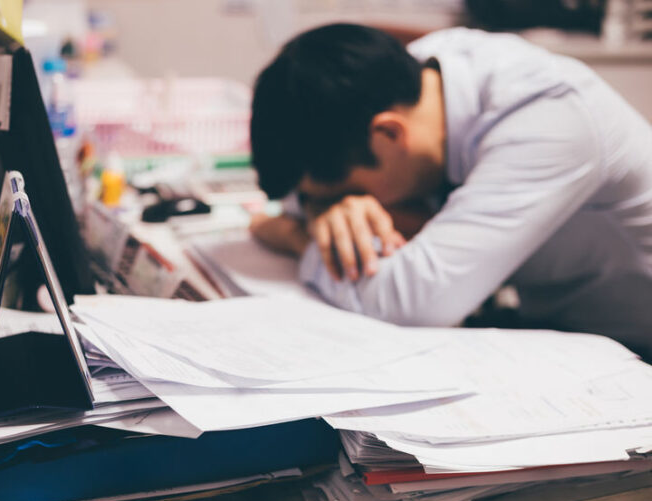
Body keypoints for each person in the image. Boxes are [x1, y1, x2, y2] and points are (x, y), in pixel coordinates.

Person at [248, 23, 652, 354]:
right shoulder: (418, 77)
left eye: (340, 191)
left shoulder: (547, 120)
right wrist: (326, 210)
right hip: (551, 328)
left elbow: (414, 303)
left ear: (389, 132)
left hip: (632, 350)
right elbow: (296, 190)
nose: (340, 204)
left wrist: (298, 237)